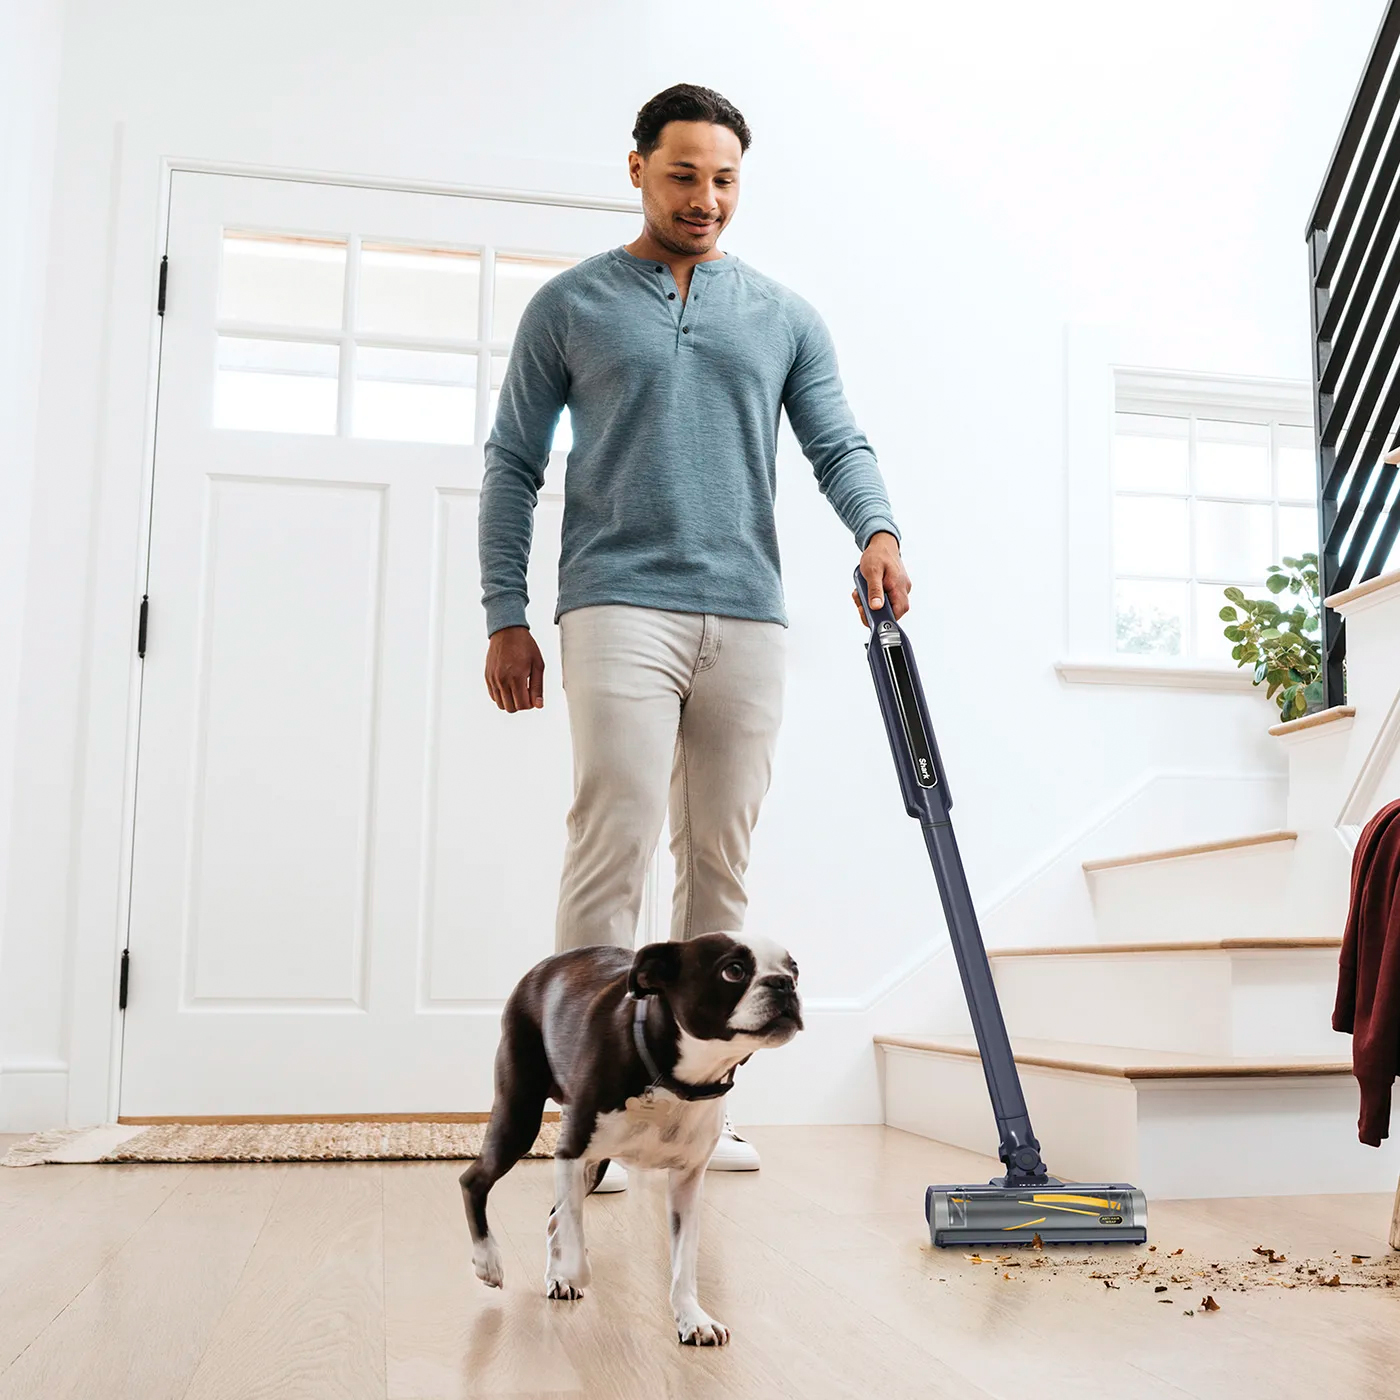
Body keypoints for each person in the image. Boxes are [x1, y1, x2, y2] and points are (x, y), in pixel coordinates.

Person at [478, 83, 911, 1186]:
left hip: (746, 613)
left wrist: (876, 528)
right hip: (617, 598)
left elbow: (835, 439)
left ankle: (697, 1107)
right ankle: (598, 1105)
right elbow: (512, 466)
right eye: (682, 175)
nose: (704, 198)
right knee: (612, 834)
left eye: (723, 180)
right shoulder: (570, 306)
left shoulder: (780, 315)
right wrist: (506, 616)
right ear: (635, 169)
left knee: (718, 853)